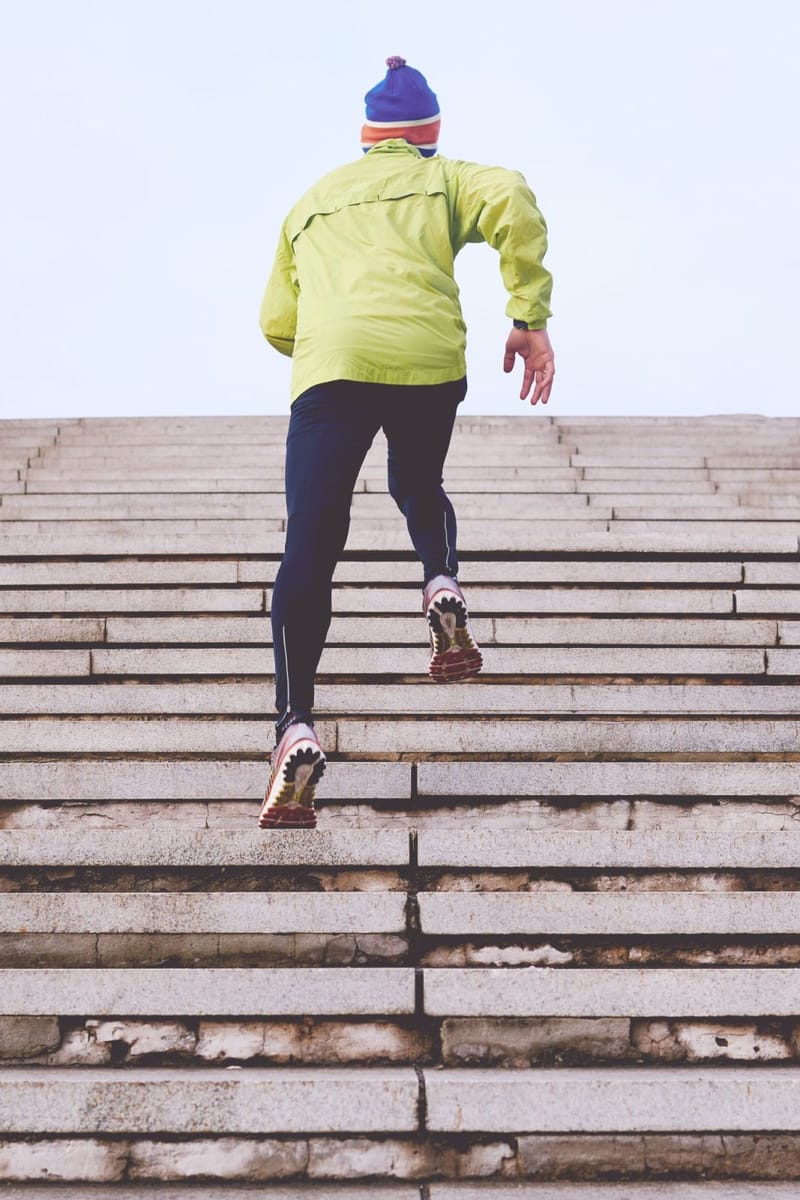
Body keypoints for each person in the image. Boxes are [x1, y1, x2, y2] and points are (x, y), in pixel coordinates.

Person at [257, 56, 555, 829]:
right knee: (417, 485)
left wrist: (334, 338)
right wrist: (528, 315)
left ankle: (294, 723)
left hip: (332, 369)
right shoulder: (446, 176)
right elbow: (513, 197)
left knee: (312, 542)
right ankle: (441, 583)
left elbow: (275, 322)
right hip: (426, 359)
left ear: (366, 136)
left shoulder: (310, 201)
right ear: (429, 134)